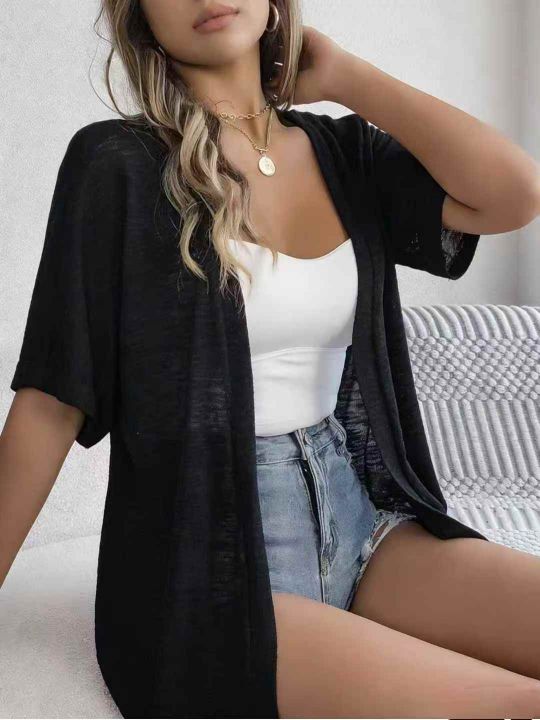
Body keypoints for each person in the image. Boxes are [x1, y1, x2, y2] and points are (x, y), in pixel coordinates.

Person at [2, 1, 540, 717]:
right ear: (140, 15)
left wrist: (347, 77)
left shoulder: (342, 154)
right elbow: (51, 402)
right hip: (207, 569)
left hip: (363, 525)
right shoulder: (118, 164)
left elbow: (515, 194)